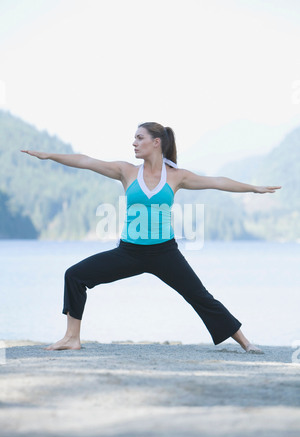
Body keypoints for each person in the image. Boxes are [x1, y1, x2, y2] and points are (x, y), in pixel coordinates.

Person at [21, 122, 281, 353]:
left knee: (200, 296)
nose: (134, 143)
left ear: (156, 142)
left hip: (165, 253)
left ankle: (245, 342)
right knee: (75, 275)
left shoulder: (177, 176)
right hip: (129, 252)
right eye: (134, 139)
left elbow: (217, 182)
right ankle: (71, 338)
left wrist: (253, 188)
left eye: (139, 138)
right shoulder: (126, 172)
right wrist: (50, 155)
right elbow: (86, 161)